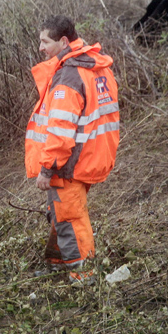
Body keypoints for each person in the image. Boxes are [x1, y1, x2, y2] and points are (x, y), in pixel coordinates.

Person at [25, 15, 120, 284]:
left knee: (70, 217)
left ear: (64, 41)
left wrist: (47, 168)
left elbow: (60, 131)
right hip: (90, 158)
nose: (41, 48)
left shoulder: (68, 76)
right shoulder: (97, 66)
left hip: (68, 164)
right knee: (62, 211)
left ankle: (85, 277)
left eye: (45, 42)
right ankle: (57, 262)